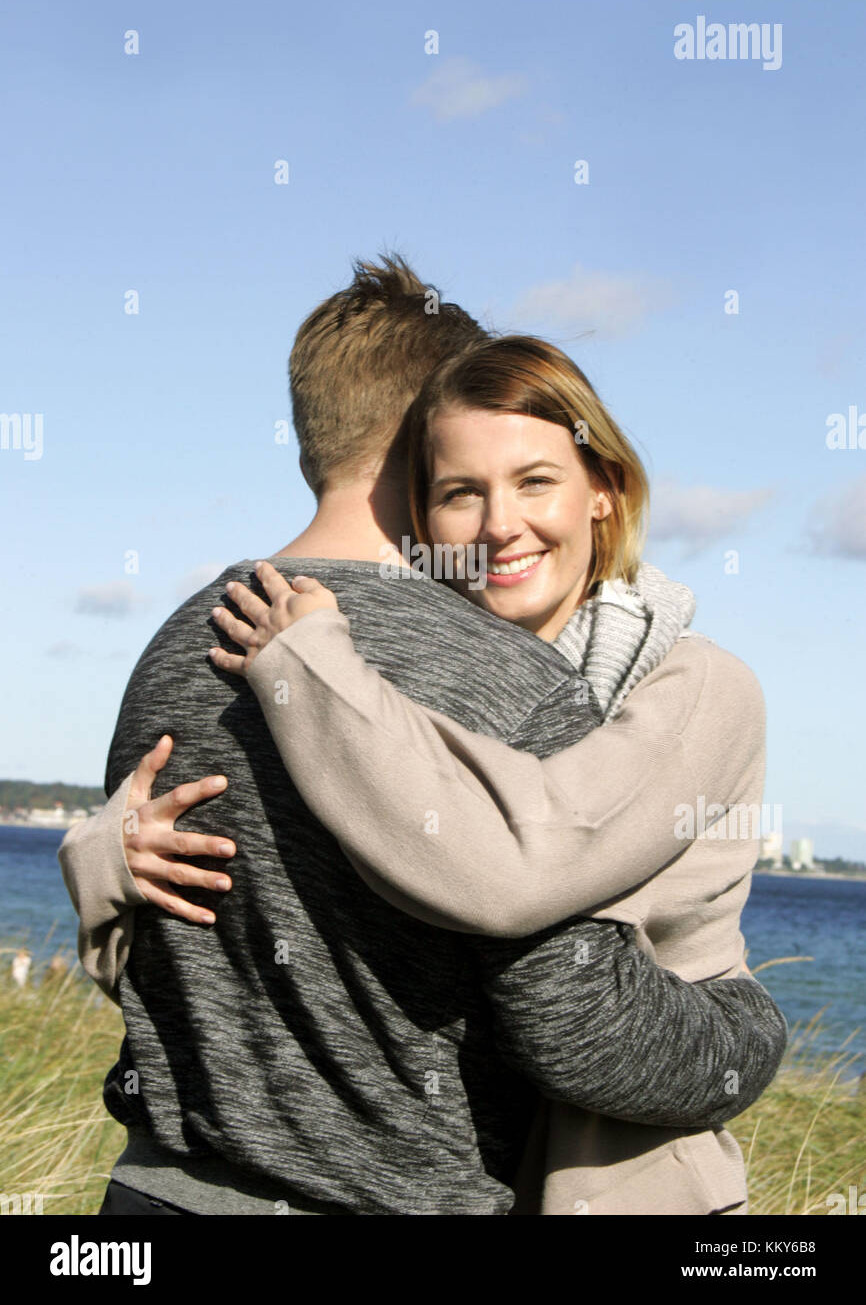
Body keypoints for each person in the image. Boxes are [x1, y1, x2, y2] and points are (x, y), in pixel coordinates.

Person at [60, 257, 786, 1216]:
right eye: (466, 483)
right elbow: (575, 1025)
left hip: (152, 1196)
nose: (498, 522)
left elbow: (157, 971)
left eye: (534, 477)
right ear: (424, 450)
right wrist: (752, 1031)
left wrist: (97, 858)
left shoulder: (177, 643)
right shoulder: (513, 684)